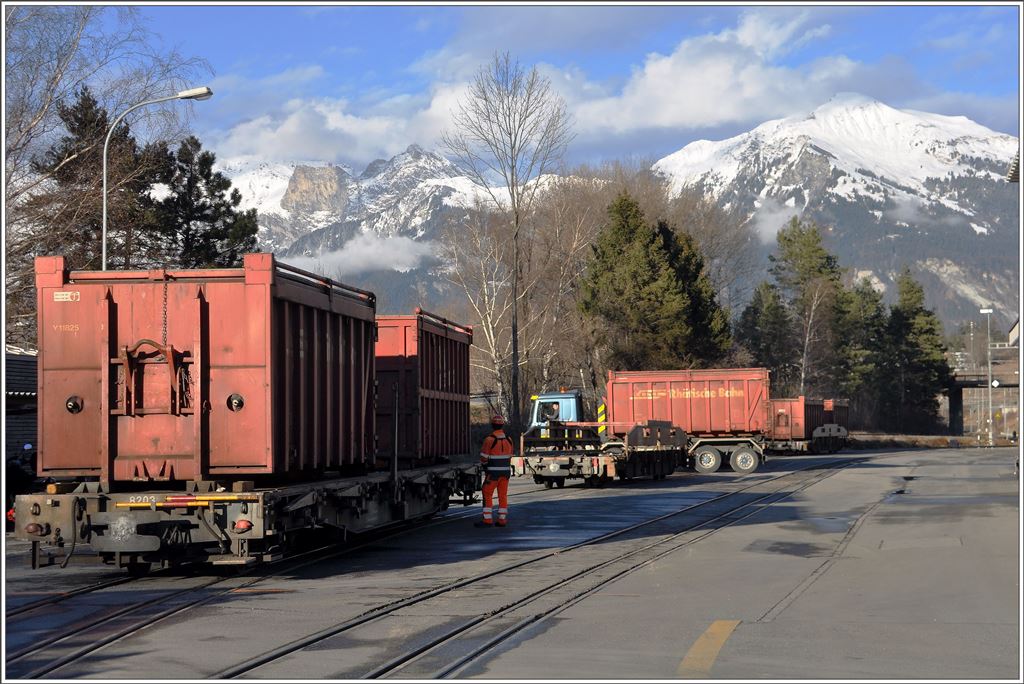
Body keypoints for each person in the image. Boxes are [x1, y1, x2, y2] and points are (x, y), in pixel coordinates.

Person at [476, 415, 514, 528]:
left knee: (487, 493)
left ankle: (487, 520)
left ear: (492, 425)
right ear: (502, 425)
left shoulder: (489, 439)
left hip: (492, 474)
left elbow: (483, 457)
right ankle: (502, 520)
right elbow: (510, 455)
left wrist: (485, 466)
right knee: (503, 495)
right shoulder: (509, 439)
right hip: (506, 473)